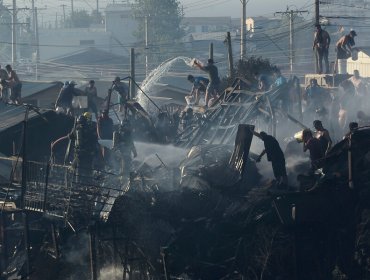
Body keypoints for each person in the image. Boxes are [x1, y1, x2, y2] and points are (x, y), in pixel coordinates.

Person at [68, 112, 100, 183]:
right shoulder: (89, 128)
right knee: (88, 169)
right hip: (88, 153)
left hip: (79, 153)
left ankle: (77, 183)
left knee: (79, 170)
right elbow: (94, 139)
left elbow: (70, 137)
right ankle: (87, 183)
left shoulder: (76, 128)